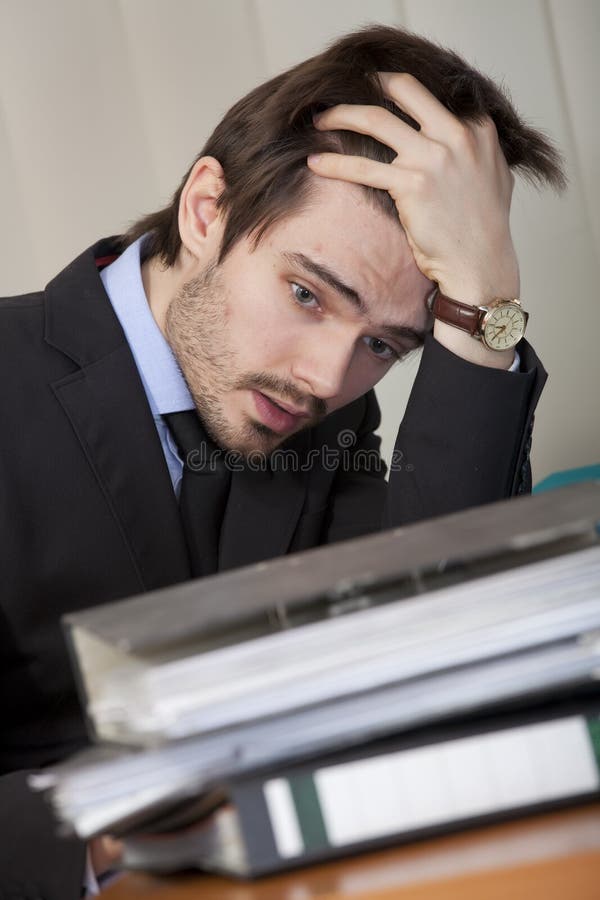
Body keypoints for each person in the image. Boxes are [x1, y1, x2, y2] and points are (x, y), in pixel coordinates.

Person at [0, 24, 563, 899]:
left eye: (384, 344)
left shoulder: (323, 411)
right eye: (307, 293)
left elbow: (439, 647)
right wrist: (107, 846)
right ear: (206, 208)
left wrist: (486, 309)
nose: (327, 377)